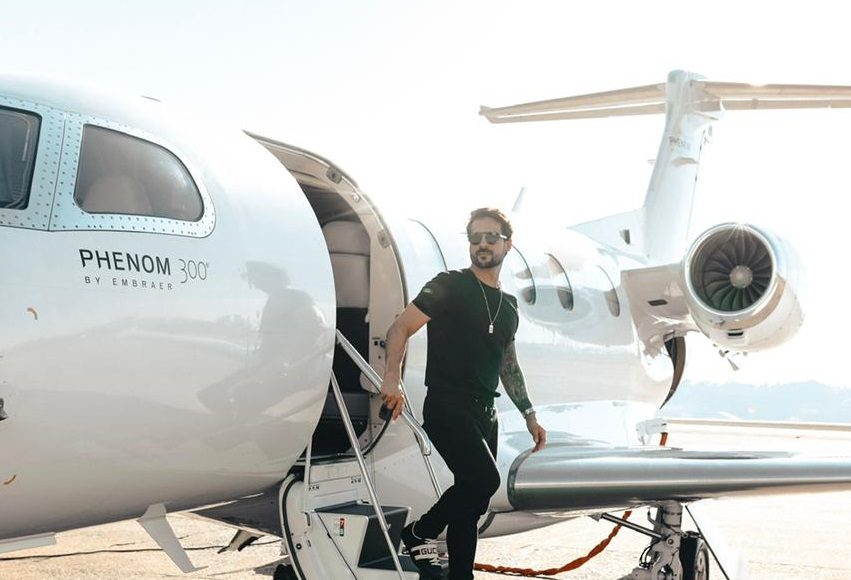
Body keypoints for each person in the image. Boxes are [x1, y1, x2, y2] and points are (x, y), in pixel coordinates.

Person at [380, 207, 547, 580]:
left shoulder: (509, 306)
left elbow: (508, 365)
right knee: (485, 481)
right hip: (447, 404)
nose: (482, 244)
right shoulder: (449, 285)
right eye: (475, 237)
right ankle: (420, 531)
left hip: (485, 411)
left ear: (508, 244)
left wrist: (529, 413)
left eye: (491, 237)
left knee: (471, 502)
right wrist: (392, 378)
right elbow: (400, 328)